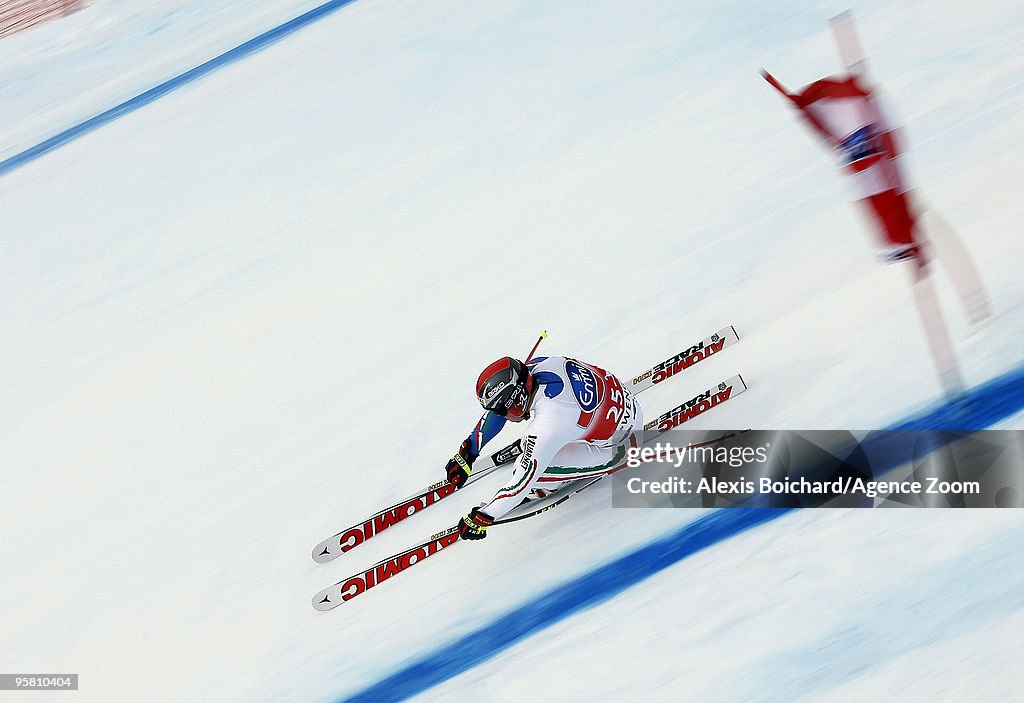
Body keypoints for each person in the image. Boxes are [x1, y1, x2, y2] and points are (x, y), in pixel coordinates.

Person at [444, 354, 644, 541]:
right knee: (543, 443)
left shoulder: (549, 424)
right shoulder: (537, 366)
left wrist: (482, 518)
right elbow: (503, 405)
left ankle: (545, 487)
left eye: (501, 411)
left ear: (517, 401)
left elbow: (518, 485)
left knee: (532, 472)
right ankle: (549, 448)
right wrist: (468, 451)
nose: (500, 416)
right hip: (623, 402)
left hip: (622, 448)